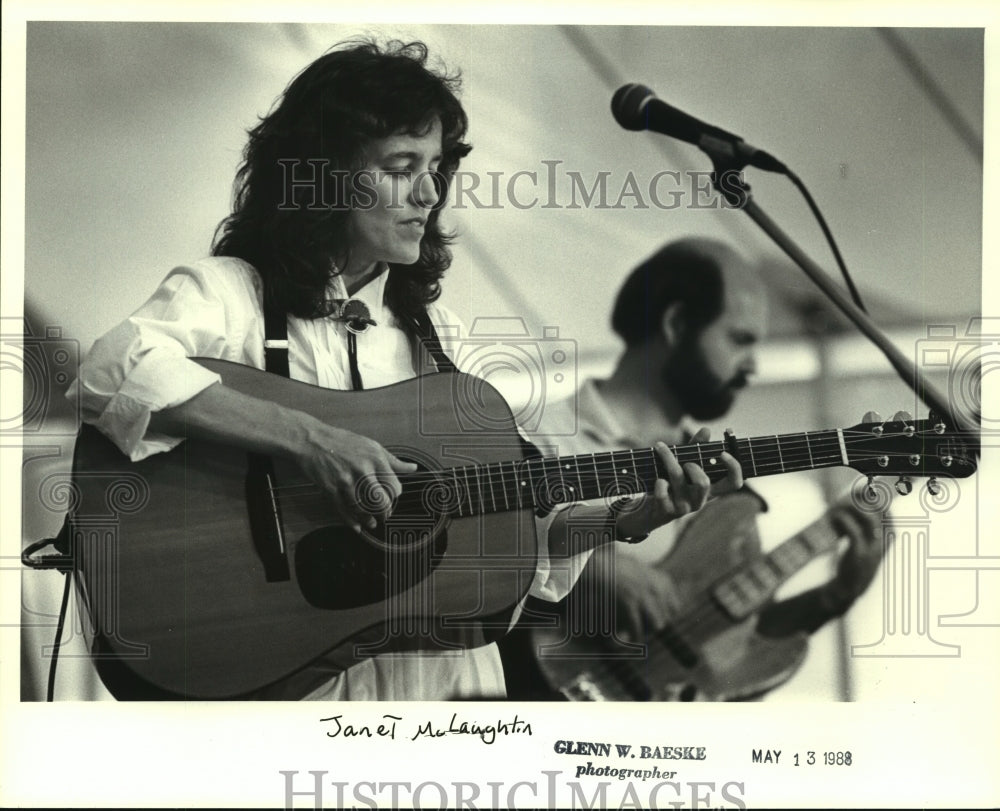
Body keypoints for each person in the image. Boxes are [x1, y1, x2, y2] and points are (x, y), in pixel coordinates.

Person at [65, 41, 741, 701]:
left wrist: (628, 518)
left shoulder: (439, 342)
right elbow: (110, 370)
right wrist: (311, 439)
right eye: (401, 165)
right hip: (296, 701)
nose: (428, 190)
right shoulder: (231, 293)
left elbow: (519, 536)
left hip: (437, 701)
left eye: (437, 166)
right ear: (324, 174)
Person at [499, 237, 886, 701]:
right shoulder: (535, 436)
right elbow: (459, 567)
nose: (753, 365)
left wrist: (834, 596)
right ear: (677, 323)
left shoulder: (730, 491)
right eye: (739, 339)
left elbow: (728, 657)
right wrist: (593, 566)